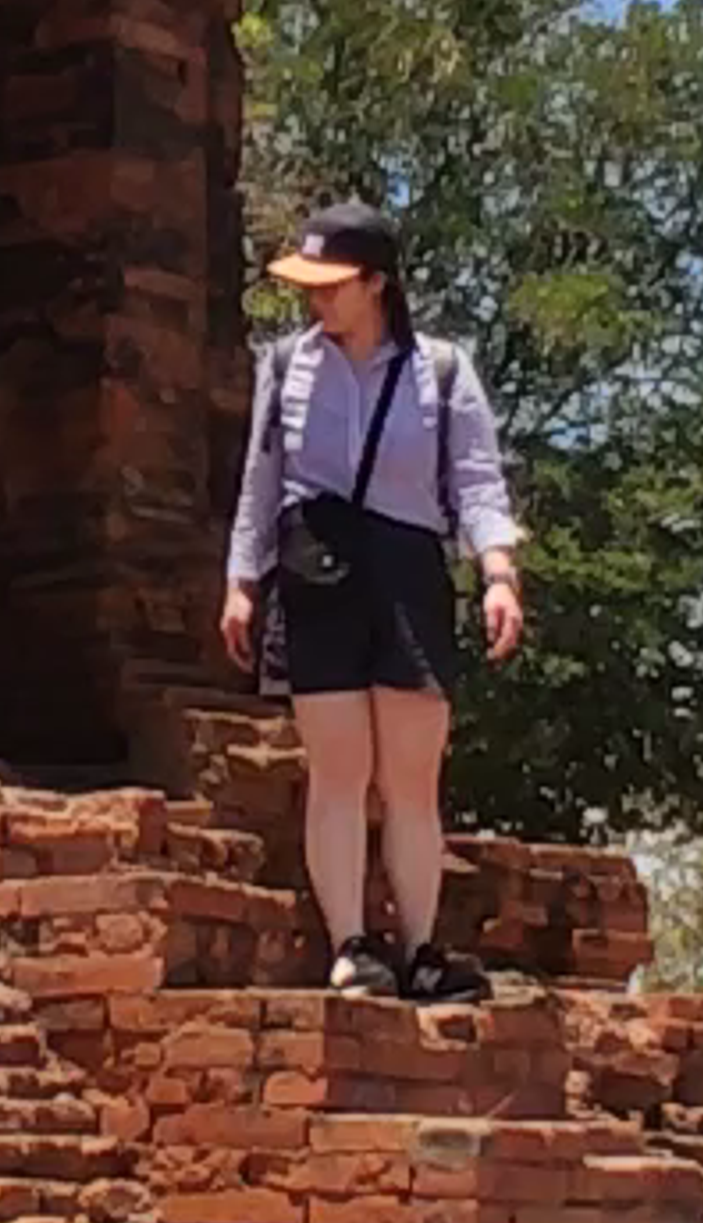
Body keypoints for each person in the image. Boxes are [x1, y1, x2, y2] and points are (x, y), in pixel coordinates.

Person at [221, 202, 526, 1002]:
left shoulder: (445, 370)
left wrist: (498, 572)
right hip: (314, 566)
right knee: (338, 772)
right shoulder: (284, 364)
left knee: (412, 780)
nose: (315, 299)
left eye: (331, 284)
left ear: (377, 283)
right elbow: (259, 482)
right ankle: (351, 945)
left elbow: (477, 480)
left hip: (408, 568)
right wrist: (241, 582)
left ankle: (422, 948)